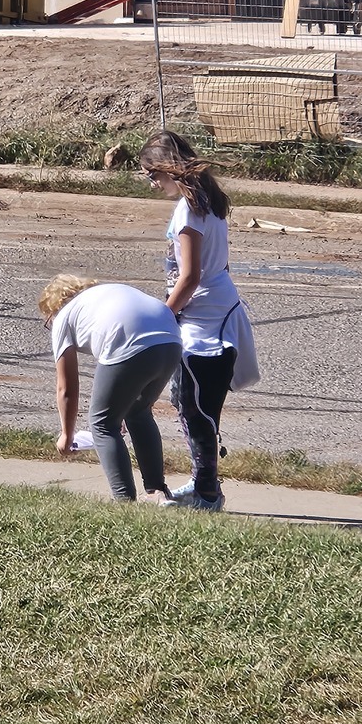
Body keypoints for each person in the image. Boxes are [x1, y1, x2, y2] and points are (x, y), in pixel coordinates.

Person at [139, 130, 260, 511]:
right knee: (194, 404)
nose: (150, 182)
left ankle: (207, 493)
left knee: (196, 407)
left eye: (151, 174)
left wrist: (164, 314)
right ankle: (204, 483)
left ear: (169, 169)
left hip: (204, 324)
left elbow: (190, 277)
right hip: (215, 312)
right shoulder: (207, 200)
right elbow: (217, 265)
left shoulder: (189, 211)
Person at [38, 275, 182, 503]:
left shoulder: (64, 317)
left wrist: (67, 435)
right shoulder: (103, 296)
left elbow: (66, 387)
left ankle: (123, 501)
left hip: (130, 342)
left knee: (102, 423)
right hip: (171, 340)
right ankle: (158, 492)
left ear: (54, 307)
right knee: (139, 412)